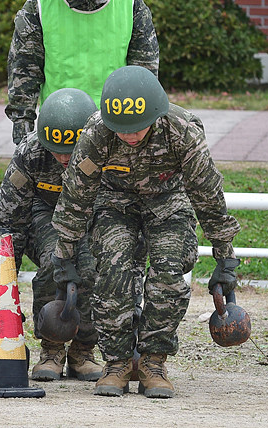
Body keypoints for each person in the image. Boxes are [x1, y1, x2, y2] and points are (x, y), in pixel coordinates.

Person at [51, 66, 241, 399]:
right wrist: (64, 254)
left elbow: (208, 195)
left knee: (168, 270)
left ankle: (154, 361)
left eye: (139, 128)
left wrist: (225, 257)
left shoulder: (182, 132)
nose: (131, 136)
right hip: (114, 202)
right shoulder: (97, 133)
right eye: (123, 129)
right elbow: (76, 195)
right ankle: (117, 363)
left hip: (169, 201)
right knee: (112, 269)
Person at [6, 0, 160, 145]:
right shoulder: (40, 4)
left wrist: (143, 117)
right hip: (59, 120)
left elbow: (145, 67)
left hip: (117, 120)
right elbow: (24, 66)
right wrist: (22, 118)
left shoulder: (129, 0)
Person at [0, 88, 103, 382]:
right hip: (46, 212)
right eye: (57, 150)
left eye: (70, 150)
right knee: (53, 265)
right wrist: (4, 274)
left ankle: (83, 351)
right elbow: (8, 215)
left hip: (95, 214)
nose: (63, 157)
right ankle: (52, 349)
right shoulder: (30, 152)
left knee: (89, 268)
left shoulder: (104, 147)